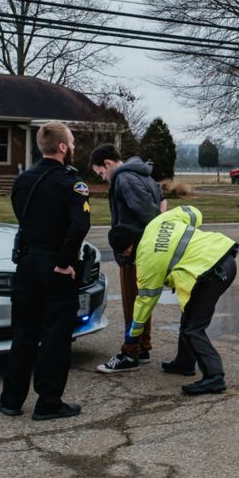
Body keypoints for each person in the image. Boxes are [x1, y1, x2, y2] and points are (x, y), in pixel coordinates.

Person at [0, 121, 91, 421]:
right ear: (62, 147)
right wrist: (64, 262)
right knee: (55, 336)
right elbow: (80, 226)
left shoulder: (23, 181)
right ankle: (48, 402)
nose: (73, 147)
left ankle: (10, 399)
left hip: (25, 264)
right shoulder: (71, 183)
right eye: (72, 143)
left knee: (23, 333)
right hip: (55, 268)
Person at [105, 205, 237, 395]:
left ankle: (214, 376)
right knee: (189, 317)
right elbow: (193, 212)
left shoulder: (146, 260)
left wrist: (133, 336)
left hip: (210, 275)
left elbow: (145, 303)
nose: (125, 257)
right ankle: (184, 363)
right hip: (225, 257)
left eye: (123, 253)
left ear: (128, 248)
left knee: (194, 328)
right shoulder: (157, 223)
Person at [89, 144, 166, 374]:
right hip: (144, 250)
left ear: (108, 163)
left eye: (101, 173)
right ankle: (143, 347)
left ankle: (130, 352)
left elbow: (151, 214)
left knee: (133, 301)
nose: (103, 178)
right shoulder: (143, 175)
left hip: (135, 252)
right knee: (143, 300)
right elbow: (162, 202)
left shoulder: (124, 179)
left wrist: (133, 242)